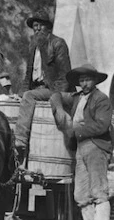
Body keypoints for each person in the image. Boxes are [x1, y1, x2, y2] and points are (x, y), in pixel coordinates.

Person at [50, 64, 114, 220]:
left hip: (96, 146)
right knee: (81, 194)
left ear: (95, 81)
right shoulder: (77, 98)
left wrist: (75, 129)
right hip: (81, 148)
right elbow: (57, 96)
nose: (84, 84)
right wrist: (59, 108)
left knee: (99, 191)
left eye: (88, 80)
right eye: (81, 80)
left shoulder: (101, 100)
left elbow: (101, 126)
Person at [14, 10, 73, 163]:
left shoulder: (58, 43)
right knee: (19, 97)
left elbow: (65, 73)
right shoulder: (33, 46)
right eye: (34, 26)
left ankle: (20, 139)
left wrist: (57, 96)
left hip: (52, 88)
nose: (37, 29)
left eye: (40, 26)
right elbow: (28, 74)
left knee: (29, 96)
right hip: (38, 88)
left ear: (48, 27)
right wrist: (20, 92)